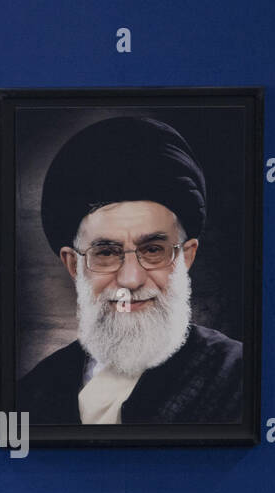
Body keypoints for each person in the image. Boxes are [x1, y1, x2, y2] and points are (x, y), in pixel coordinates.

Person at [17, 115, 243, 425]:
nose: (131, 279)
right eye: (106, 253)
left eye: (153, 250)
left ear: (186, 257)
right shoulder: (32, 395)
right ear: (74, 264)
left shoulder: (239, 377)